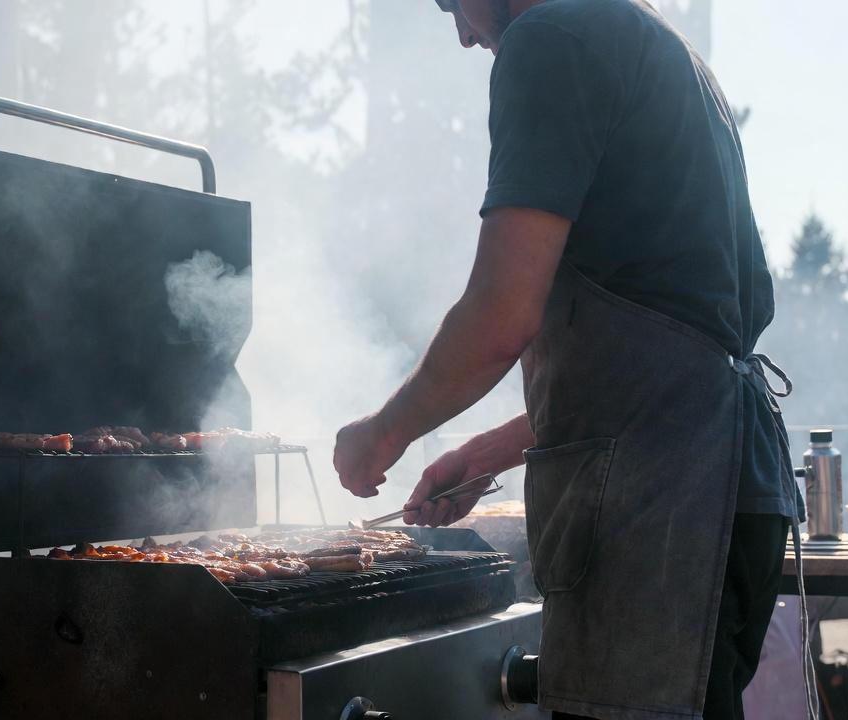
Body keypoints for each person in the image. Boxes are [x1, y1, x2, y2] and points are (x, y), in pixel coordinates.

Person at [332, 1, 807, 718]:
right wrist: (492, 449)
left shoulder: (550, 38)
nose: (461, 32)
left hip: (664, 518)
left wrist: (383, 432)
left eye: (450, 3)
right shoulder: (652, 43)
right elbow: (675, 352)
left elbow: (501, 315)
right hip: (729, 492)